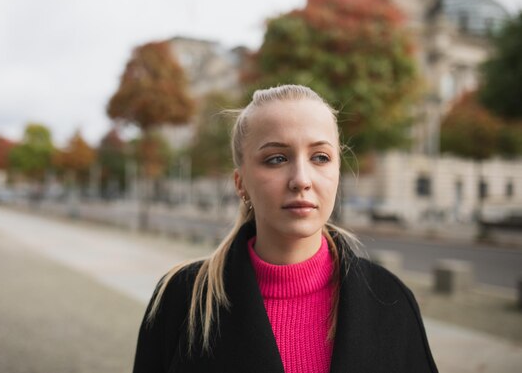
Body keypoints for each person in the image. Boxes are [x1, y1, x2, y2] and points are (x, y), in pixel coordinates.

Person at [133, 84, 439, 373]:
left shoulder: (391, 299)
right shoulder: (182, 300)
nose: (301, 179)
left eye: (320, 157)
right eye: (276, 159)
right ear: (241, 184)